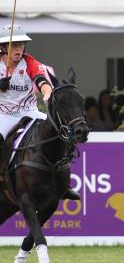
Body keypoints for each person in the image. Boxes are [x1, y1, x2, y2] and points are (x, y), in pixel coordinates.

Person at [0, 24, 79, 200]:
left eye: (21, 45)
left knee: (60, 132)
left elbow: (42, 81)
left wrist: (47, 95)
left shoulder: (29, 62)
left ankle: (64, 185)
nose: (18, 49)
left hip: (30, 112)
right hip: (4, 115)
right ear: (3, 47)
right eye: (14, 45)